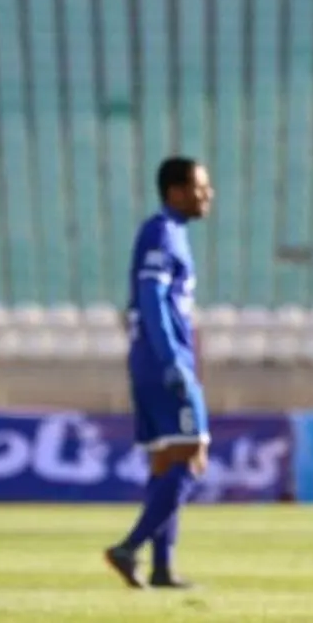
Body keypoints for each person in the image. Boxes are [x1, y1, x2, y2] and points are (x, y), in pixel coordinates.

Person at [104, 157, 214, 589]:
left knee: (166, 460)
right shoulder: (162, 232)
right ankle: (129, 548)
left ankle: (162, 567)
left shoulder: (171, 233)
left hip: (150, 358)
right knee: (192, 454)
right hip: (163, 361)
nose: (208, 194)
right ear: (176, 191)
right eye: (200, 187)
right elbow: (150, 298)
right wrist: (172, 361)